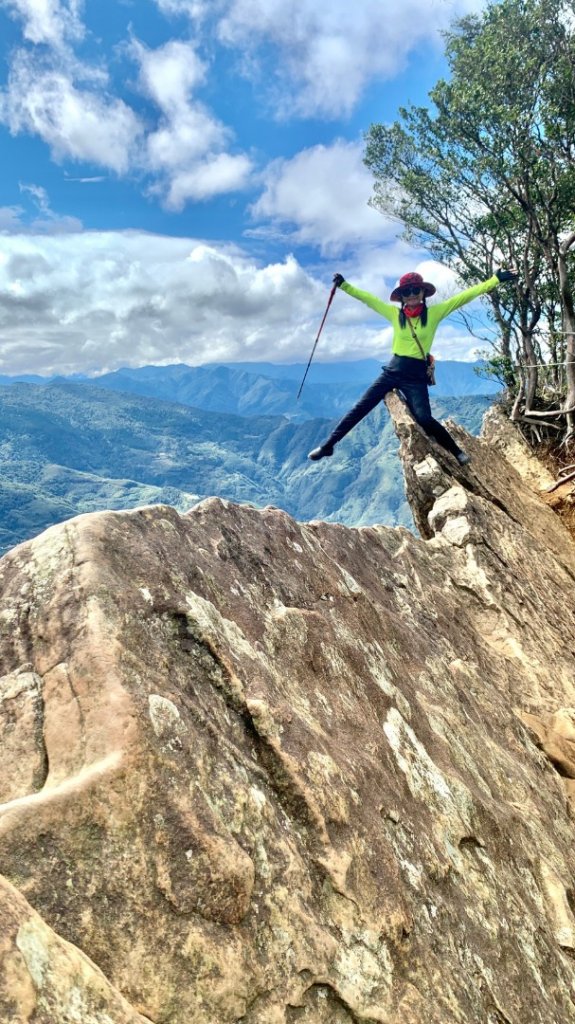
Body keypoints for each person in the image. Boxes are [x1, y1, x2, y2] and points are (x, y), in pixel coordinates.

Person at [308, 267, 517, 466]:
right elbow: (368, 299)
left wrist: (495, 280)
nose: (411, 295)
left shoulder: (434, 314)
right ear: (401, 296)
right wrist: (344, 285)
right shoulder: (394, 314)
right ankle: (328, 445)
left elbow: (463, 297)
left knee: (424, 418)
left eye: (415, 290)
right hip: (393, 370)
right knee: (361, 407)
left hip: (415, 376)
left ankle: (456, 451)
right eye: (406, 292)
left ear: (422, 293)